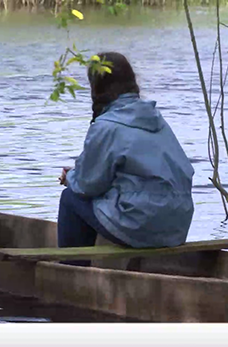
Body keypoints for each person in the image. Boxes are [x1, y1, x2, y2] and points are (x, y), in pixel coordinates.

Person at [58, 52, 194, 265]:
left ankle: (71, 274)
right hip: (177, 226)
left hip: (141, 224)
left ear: (97, 87)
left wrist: (70, 177)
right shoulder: (155, 118)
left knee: (70, 198)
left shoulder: (106, 126)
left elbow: (87, 186)